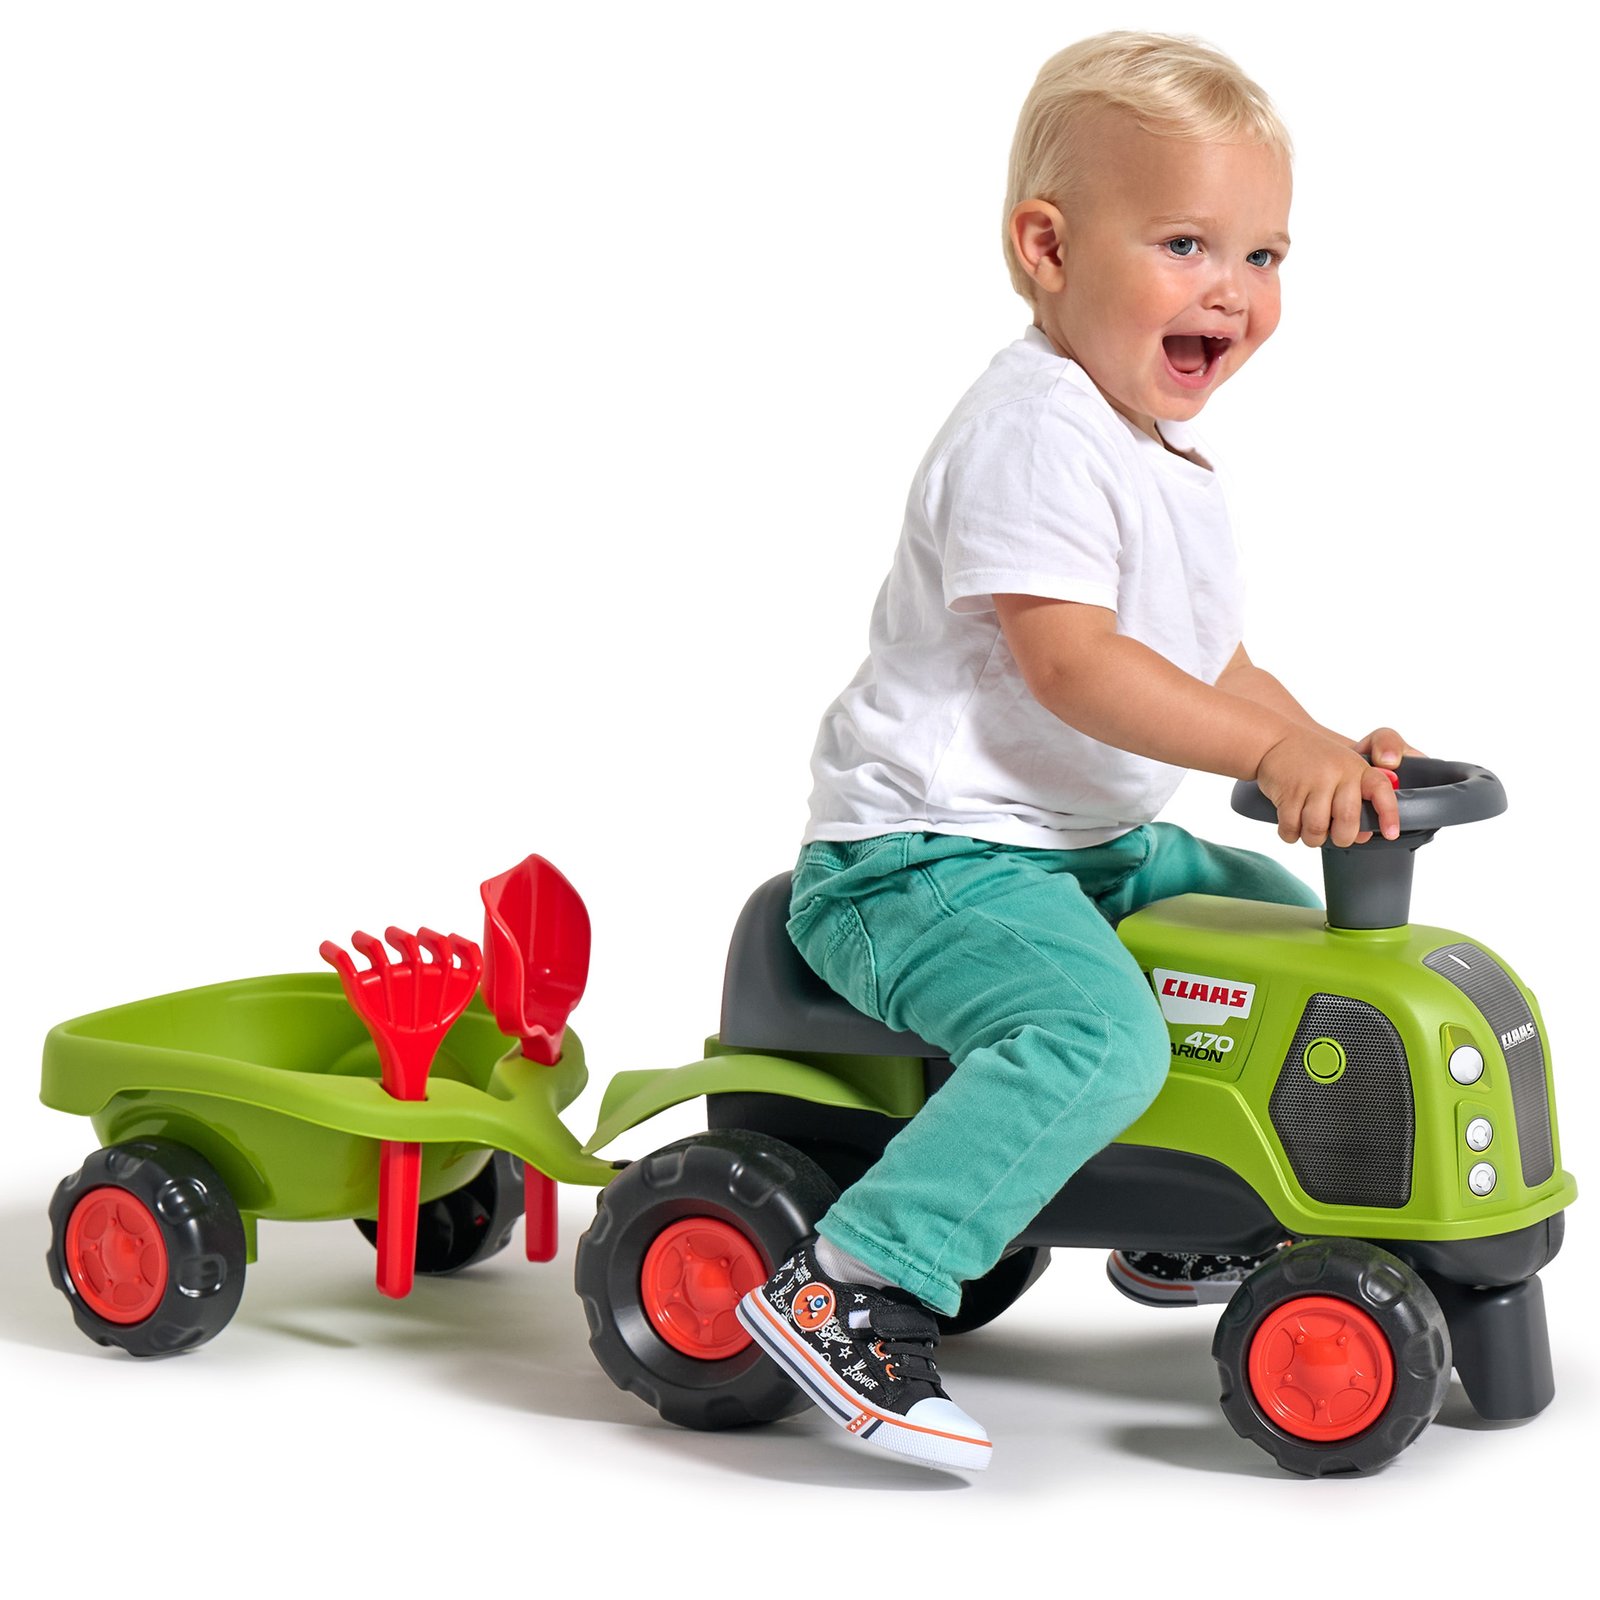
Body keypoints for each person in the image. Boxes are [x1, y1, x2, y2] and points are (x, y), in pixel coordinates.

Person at [734, 31, 1415, 1473]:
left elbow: (1210, 664)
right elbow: (1079, 665)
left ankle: (1184, 1206)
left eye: (1265, 256)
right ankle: (849, 1281)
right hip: (923, 861)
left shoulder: (1157, 451)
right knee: (1097, 1032)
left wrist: (1318, 747)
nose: (1232, 290)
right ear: (1046, 248)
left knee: (1280, 937)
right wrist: (1266, 747)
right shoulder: (1036, 430)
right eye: (1185, 244)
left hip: (1079, 849)